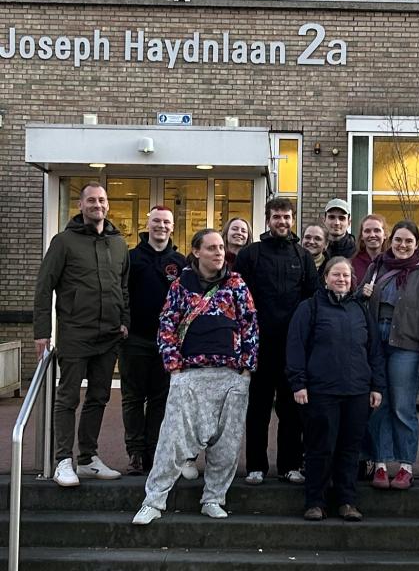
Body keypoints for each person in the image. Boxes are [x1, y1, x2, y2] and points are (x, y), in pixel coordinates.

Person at [132, 229, 258, 525]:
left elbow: (250, 325)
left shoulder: (237, 285)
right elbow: (167, 325)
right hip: (189, 374)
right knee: (172, 440)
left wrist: (246, 369)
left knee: (226, 445)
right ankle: (154, 500)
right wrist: (173, 367)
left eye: (221, 248)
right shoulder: (180, 286)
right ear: (196, 251)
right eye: (211, 248)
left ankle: (213, 498)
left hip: (231, 375)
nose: (218, 253)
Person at [34, 182, 129, 487]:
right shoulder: (63, 242)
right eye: (91, 200)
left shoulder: (118, 243)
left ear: (108, 205)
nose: (97, 205)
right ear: (80, 205)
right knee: (68, 398)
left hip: (109, 335)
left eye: (102, 200)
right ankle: (63, 459)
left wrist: (124, 319)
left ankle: (88, 459)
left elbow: (123, 287)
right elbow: (43, 286)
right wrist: (42, 333)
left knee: (99, 397)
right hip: (75, 333)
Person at [286, 257, 385, 522]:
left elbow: (374, 350)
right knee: (320, 447)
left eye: (346, 276)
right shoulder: (309, 308)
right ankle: (315, 502)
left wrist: (377, 386)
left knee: (350, 449)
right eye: (336, 275)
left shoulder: (361, 310)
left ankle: (347, 501)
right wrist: (298, 383)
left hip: (357, 392)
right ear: (325, 278)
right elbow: (295, 348)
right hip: (322, 391)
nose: (341, 280)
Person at [235, 198, 319, 485]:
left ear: (293, 219)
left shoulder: (303, 256)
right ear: (267, 219)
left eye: (286, 217)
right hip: (258, 346)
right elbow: (238, 300)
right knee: (257, 409)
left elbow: (312, 301)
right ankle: (256, 465)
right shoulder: (250, 255)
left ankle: (290, 465)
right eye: (276, 217)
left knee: (291, 409)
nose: (282, 222)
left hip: (292, 349)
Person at [359, 221, 419, 490]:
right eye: (398, 240)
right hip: (376, 345)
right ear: (390, 241)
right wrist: (363, 294)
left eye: (408, 241)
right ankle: (381, 464)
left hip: (406, 347)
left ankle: (406, 465)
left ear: (416, 244)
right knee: (378, 406)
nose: (402, 245)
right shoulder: (376, 268)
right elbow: (359, 306)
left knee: (402, 407)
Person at [119, 205, 186, 475]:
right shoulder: (131, 258)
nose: (161, 226)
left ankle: (154, 450)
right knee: (133, 398)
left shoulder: (180, 262)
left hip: (167, 344)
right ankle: (135, 452)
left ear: (172, 226)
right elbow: (121, 293)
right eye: (156, 221)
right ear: (148, 225)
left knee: (161, 400)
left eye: (166, 222)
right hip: (135, 339)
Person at [351, 213, 388, 285]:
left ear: (385, 235)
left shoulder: (393, 262)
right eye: (367, 231)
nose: (372, 235)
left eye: (377, 230)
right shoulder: (352, 264)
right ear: (361, 236)